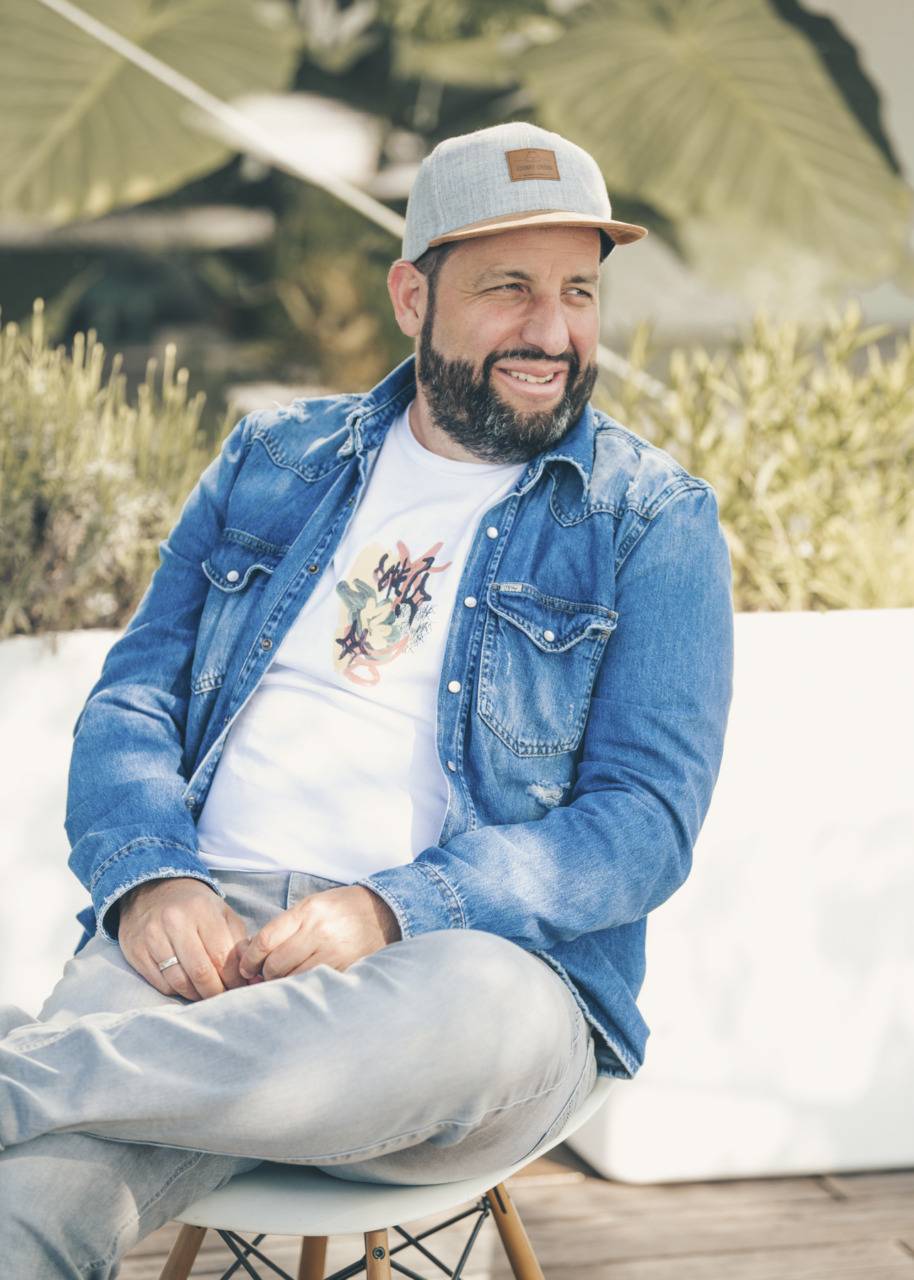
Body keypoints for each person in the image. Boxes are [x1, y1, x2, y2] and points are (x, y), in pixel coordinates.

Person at [0, 121, 734, 1273]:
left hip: (454, 972)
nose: (552, 331)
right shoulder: (271, 458)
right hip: (200, 938)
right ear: (411, 296)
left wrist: (392, 909)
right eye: (508, 287)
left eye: (578, 292)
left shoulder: (646, 519)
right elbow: (133, 700)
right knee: (23, 1210)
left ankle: (32, 1072)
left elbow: (642, 825)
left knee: (474, 1009)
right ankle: (66, 1078)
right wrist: (151, 878)